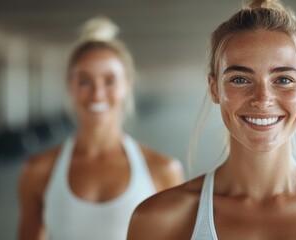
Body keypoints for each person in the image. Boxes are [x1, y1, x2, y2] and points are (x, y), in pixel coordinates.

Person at [127, 0, 296, 239]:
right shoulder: (158, 220)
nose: (263, 99)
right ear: (215, 88)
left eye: (283, 79)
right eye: (240, 79)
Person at [17, 16, 184, 240]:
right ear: (70, 86)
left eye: (109, 81)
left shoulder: (163, 170)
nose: (97, 94)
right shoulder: (38, 171)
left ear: (127, 85)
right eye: (85, 81)